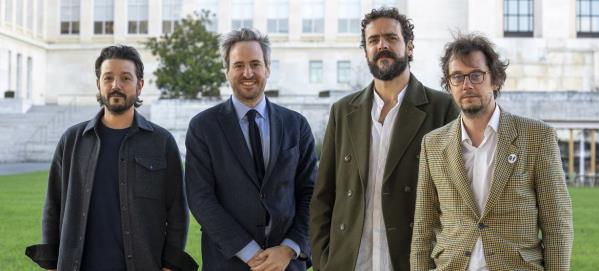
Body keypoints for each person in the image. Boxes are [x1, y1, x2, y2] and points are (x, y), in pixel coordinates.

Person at [310, 7, 459, 271]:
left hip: (412, 260)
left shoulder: (442, 108)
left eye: (391, 38)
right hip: (349, 261)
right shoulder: (343, 111)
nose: (382, 46)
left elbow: (456, 198)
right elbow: (324, 195)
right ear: (365, 50)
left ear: (409, 46)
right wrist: (324, 260)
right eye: (373, 40)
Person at [25, 45, 197, 271]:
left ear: (140, 85)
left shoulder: (162, 142)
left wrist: (169, 266)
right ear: (99, 84)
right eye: (108, 78)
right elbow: (53, 206)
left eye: (126, 78)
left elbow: (177, 212)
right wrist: (51, 265)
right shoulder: (72, 141)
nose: (116, 85)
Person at [410, 33, 573, 271]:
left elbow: (557, 223)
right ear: (449, 85)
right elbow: (424, 226)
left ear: (495, 79)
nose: (467, 84)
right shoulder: (432, 144)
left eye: (476, 75)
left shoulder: (537, 137)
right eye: (457, 77)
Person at [185, 28, 317, 271]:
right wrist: (250, 253)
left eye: (255, 64)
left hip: (285, 264)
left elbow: (310, 192)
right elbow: (200, 198)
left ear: (267, 68)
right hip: (228, 263)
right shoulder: (203, 127)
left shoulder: (296, 125)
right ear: (227, 71)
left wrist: (290, 248)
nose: (248, 73)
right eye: (238, 65)